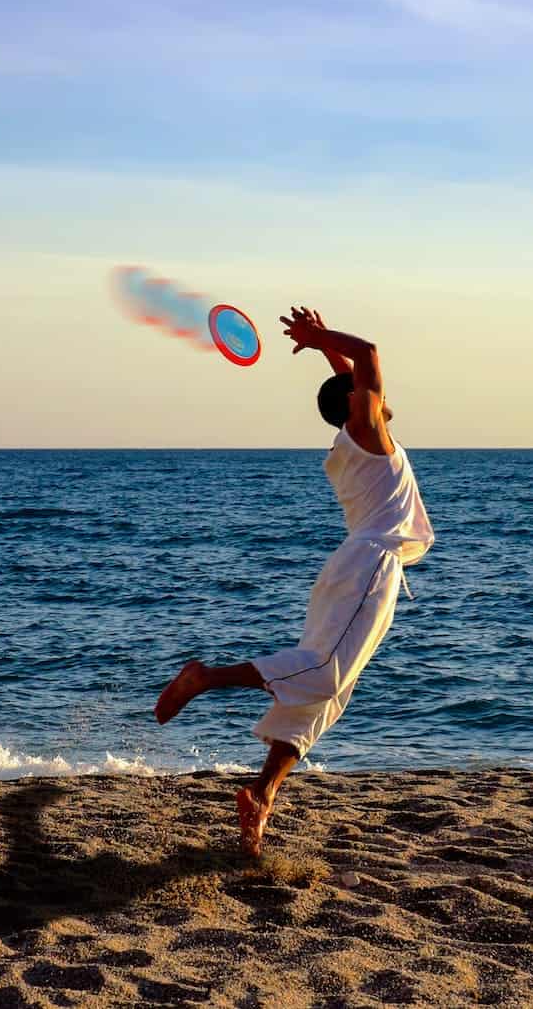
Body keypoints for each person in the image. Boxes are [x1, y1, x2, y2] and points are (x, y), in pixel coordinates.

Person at [154, 307, 435, 856]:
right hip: (369, 566)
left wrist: (325, 349)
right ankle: (204, 678)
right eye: (363, 393)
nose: (374, 394)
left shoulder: (363, 439)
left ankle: (261, 795)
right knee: (326, 673)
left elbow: (356, 375)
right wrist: (317, 336)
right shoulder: (367, 432)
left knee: (326, 696)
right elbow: (370, 355)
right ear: (358, 404)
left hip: (362, 569)